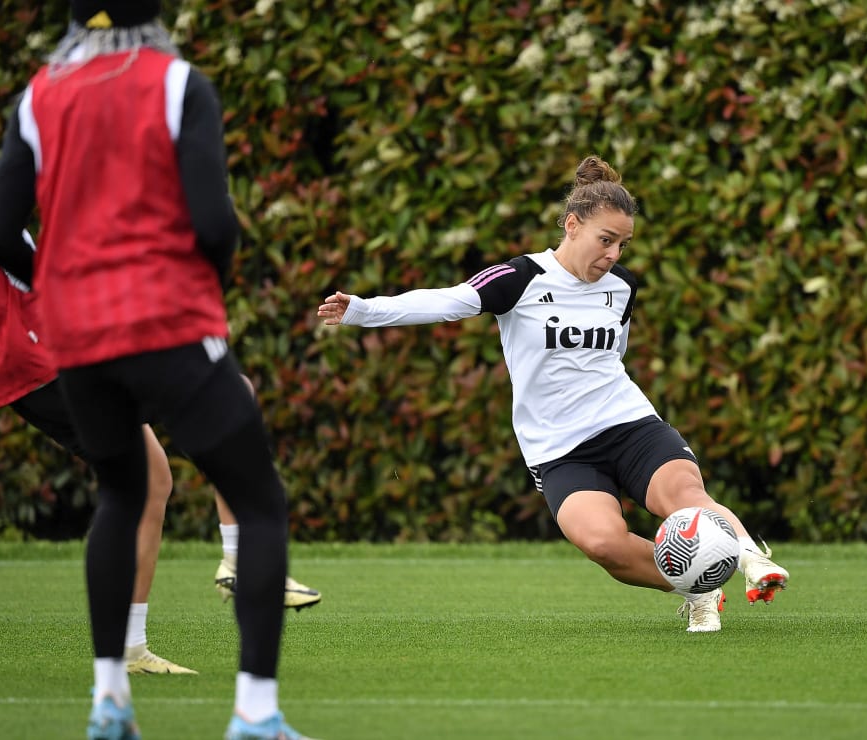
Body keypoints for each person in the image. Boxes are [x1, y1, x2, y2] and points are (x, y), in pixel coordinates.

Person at [0, 3, 313, 738]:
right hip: (166, 319)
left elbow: (0, 233)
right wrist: (209, 280)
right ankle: (255, 715)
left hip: (76, 336)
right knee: (256, 501)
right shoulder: (175, 81)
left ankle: (109, 702)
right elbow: (215, 221)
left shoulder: (39, 92)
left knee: (120, 494)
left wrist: (60, 288)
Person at [318, 155, 789, 633]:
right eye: (606, 240)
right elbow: (445, 302)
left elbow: (613, 356)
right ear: (571, 225)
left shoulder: (622, 287)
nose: (613, 255)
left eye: (623, 245)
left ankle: (753, 562)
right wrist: (362, 309)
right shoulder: (520, 278)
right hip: (559, 447)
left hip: (629, 424)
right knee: (605, 544)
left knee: (684, 494)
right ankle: (699, 588)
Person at [0, 35, 201, 675]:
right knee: (151, 472)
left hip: (15, 366)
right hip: (49, 352)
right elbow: (15, 250)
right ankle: (128, 648)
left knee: (143, 476)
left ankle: (128, 645)